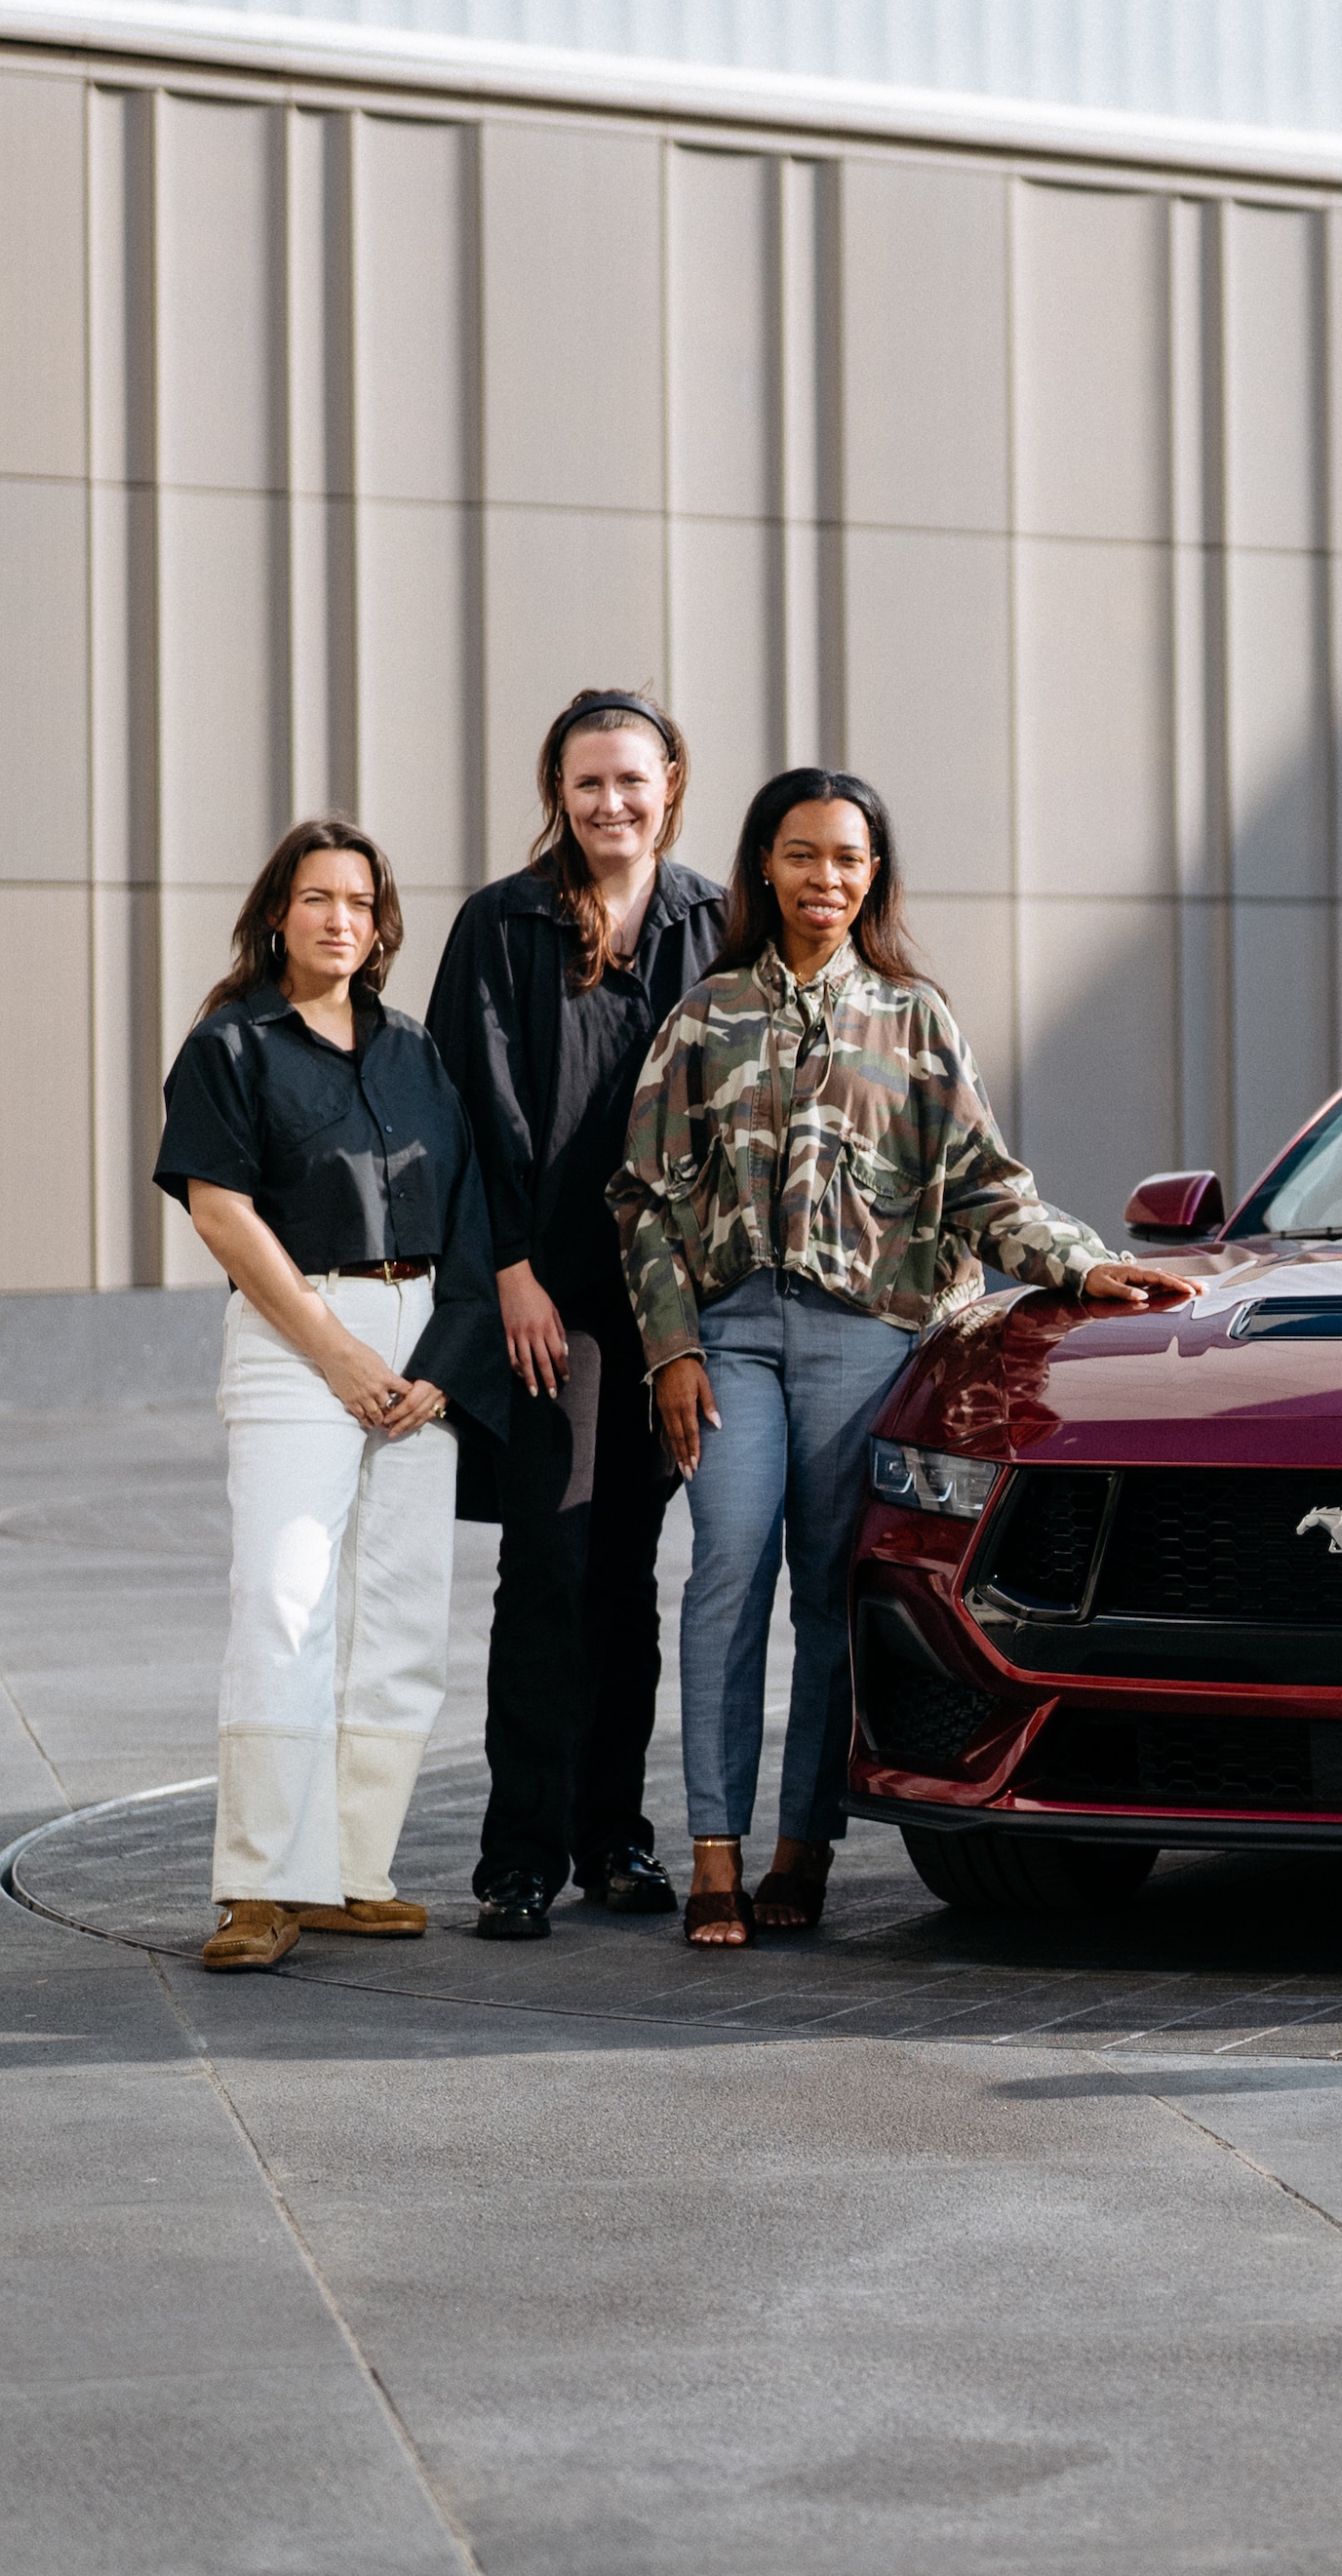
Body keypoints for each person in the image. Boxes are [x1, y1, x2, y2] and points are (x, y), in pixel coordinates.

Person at [613, 769, 1199, 1947]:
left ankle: (799, 1851)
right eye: (800, 855)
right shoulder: (704, 1016)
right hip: (730, 1334)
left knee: (833, 1591)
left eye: (847, 857)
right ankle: (714, 1850)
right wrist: (670, 1348)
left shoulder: (914, 1018)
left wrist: (1083, 1265)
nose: (823, 879)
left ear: (872, 872)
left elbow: (985, 1189)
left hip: (864, 1342)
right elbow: (641, 1198)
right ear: (761, 868)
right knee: (727, 1566)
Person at [152, 819, 513, 1974]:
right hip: (295, 1330)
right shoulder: (231, 1046)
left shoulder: (414, 1053)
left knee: (400, 1617)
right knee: (285, 1597)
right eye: (317, 899)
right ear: (277, 912)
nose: (339, 919)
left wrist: (441, 1365)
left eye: (359, 902)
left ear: (380, 922)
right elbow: (221, 1212)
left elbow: (468, 1217)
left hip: (422, 1339)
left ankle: (351, 1871)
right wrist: (338, 1355)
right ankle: (262, 1882)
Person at [428, 688, 733, 1941]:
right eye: (585, 781)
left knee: (626, 1577)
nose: (610, 802)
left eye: (631, 778)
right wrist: (507, 1269)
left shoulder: (715, 923)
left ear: (672, 783)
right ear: (556, 791)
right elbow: (469, 1109)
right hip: (545, 1296)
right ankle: (519, 1855)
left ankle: (617, 1840)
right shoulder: (502, 923)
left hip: (664, 1299)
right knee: (545, 1566)